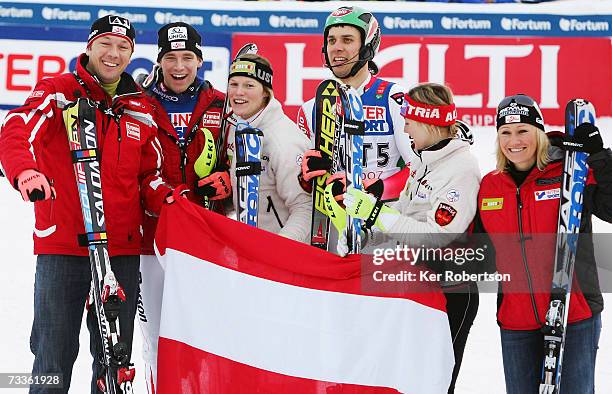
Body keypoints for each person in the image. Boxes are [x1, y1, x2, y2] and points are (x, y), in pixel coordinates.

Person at [0, 15, 174, 393]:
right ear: (89, 47)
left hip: (121, 250)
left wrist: (174, 202)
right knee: (52, 360)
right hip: (64, 245)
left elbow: (150, 177)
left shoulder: (140, 108)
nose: (113, 54)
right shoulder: (57, 91)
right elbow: (16, 127)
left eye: (123, 47)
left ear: (132, 53)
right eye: (106, 44)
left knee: (114, 363)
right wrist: (26, 172)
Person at [343, 83, 481, 393]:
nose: (404, 127)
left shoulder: (461, 169)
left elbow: (437, 236)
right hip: (417, 285)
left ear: (428, 122)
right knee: (406, 380)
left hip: (451, 292)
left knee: (434, 384)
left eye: (409, 121)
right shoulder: (423, 159)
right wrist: (364, 236)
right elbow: (405, 216)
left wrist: (377, 214)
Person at [476, 94, 611, 393]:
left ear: (538, 131)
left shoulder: (570, 173)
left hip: (574, 314)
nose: (514, 141)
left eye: (523, 130)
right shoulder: (490, 185)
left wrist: (600, 157)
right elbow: (476, 250)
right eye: (505, 133)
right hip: (516, 319)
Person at [135, 22, 226, 393]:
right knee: (156, 338)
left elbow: (243, 160)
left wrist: (228, 181)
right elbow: (128, 168)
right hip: (147, 239)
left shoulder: (221, 104)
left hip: (205, 239)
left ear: (200, 61)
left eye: (187, 57)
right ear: (159, 60)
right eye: (170, 57)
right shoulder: (137, 103)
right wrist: (164, 197)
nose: (179, 66)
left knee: (204, 337)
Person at [226, 53, 311, 241]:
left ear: (265, 91)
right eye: (234, 84)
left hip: (280, 257)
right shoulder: (236, 127)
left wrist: (277, 252)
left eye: (249, 85)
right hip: (249, 251)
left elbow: (305, 209)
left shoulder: (283, 140)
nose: (239, 92)